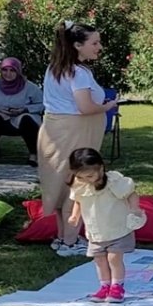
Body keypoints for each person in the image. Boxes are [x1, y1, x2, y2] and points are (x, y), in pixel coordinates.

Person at [37, 21, 118, 257]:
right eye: (94, 43)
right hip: (75, 132)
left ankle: (63, 238)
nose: (99, 47)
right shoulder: (78, 73)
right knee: (79, 184)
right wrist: (107, 106)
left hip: (55, 131)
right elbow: (84, 107)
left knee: (62, 183)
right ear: (77, 46)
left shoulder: (55, 67)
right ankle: (71, 242)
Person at [67, 148, 146, 304]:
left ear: (101, 168)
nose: (87, 180)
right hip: (96, 231)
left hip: (117, 228)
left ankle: (117, 286)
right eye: (81, 177)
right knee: (99, 260)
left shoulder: (114, 182)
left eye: (90, 176)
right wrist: (75, 216)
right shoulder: (80, 185)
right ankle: (104, 286)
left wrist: (134, 209)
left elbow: (131, 193)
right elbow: (78, 201)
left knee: (114, 258)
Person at [0, 57, 44, 166]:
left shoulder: (30, 87)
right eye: (5, 70)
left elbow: (42, 104)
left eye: (12, 70)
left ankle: (33, 156)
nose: (8, 74)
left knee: (27, 120)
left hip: (21, 117)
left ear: (18, 71)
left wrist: (25, 109)